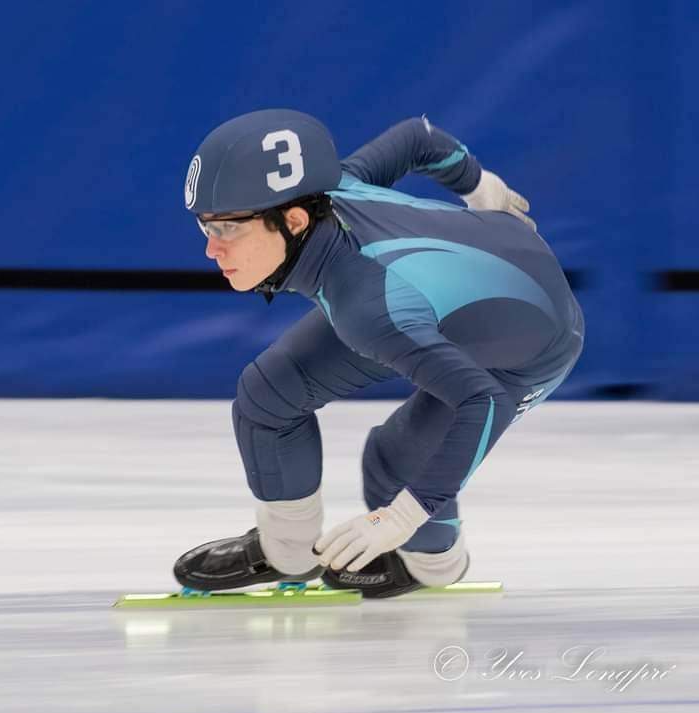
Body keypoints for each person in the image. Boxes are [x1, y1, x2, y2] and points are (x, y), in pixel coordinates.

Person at [174, 109, 584, 598]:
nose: (210, 252)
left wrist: (402, 517)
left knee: (395, 461)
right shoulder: (337, 188)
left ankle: (435, 564)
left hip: (534, 345)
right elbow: (419, 138)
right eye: (206, 230)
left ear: (294, 219)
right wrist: (480, 186)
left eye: (226, 230)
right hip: (449, 290)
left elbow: (484, 401)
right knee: (269, 392)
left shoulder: (369, 309)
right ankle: (288, 551)